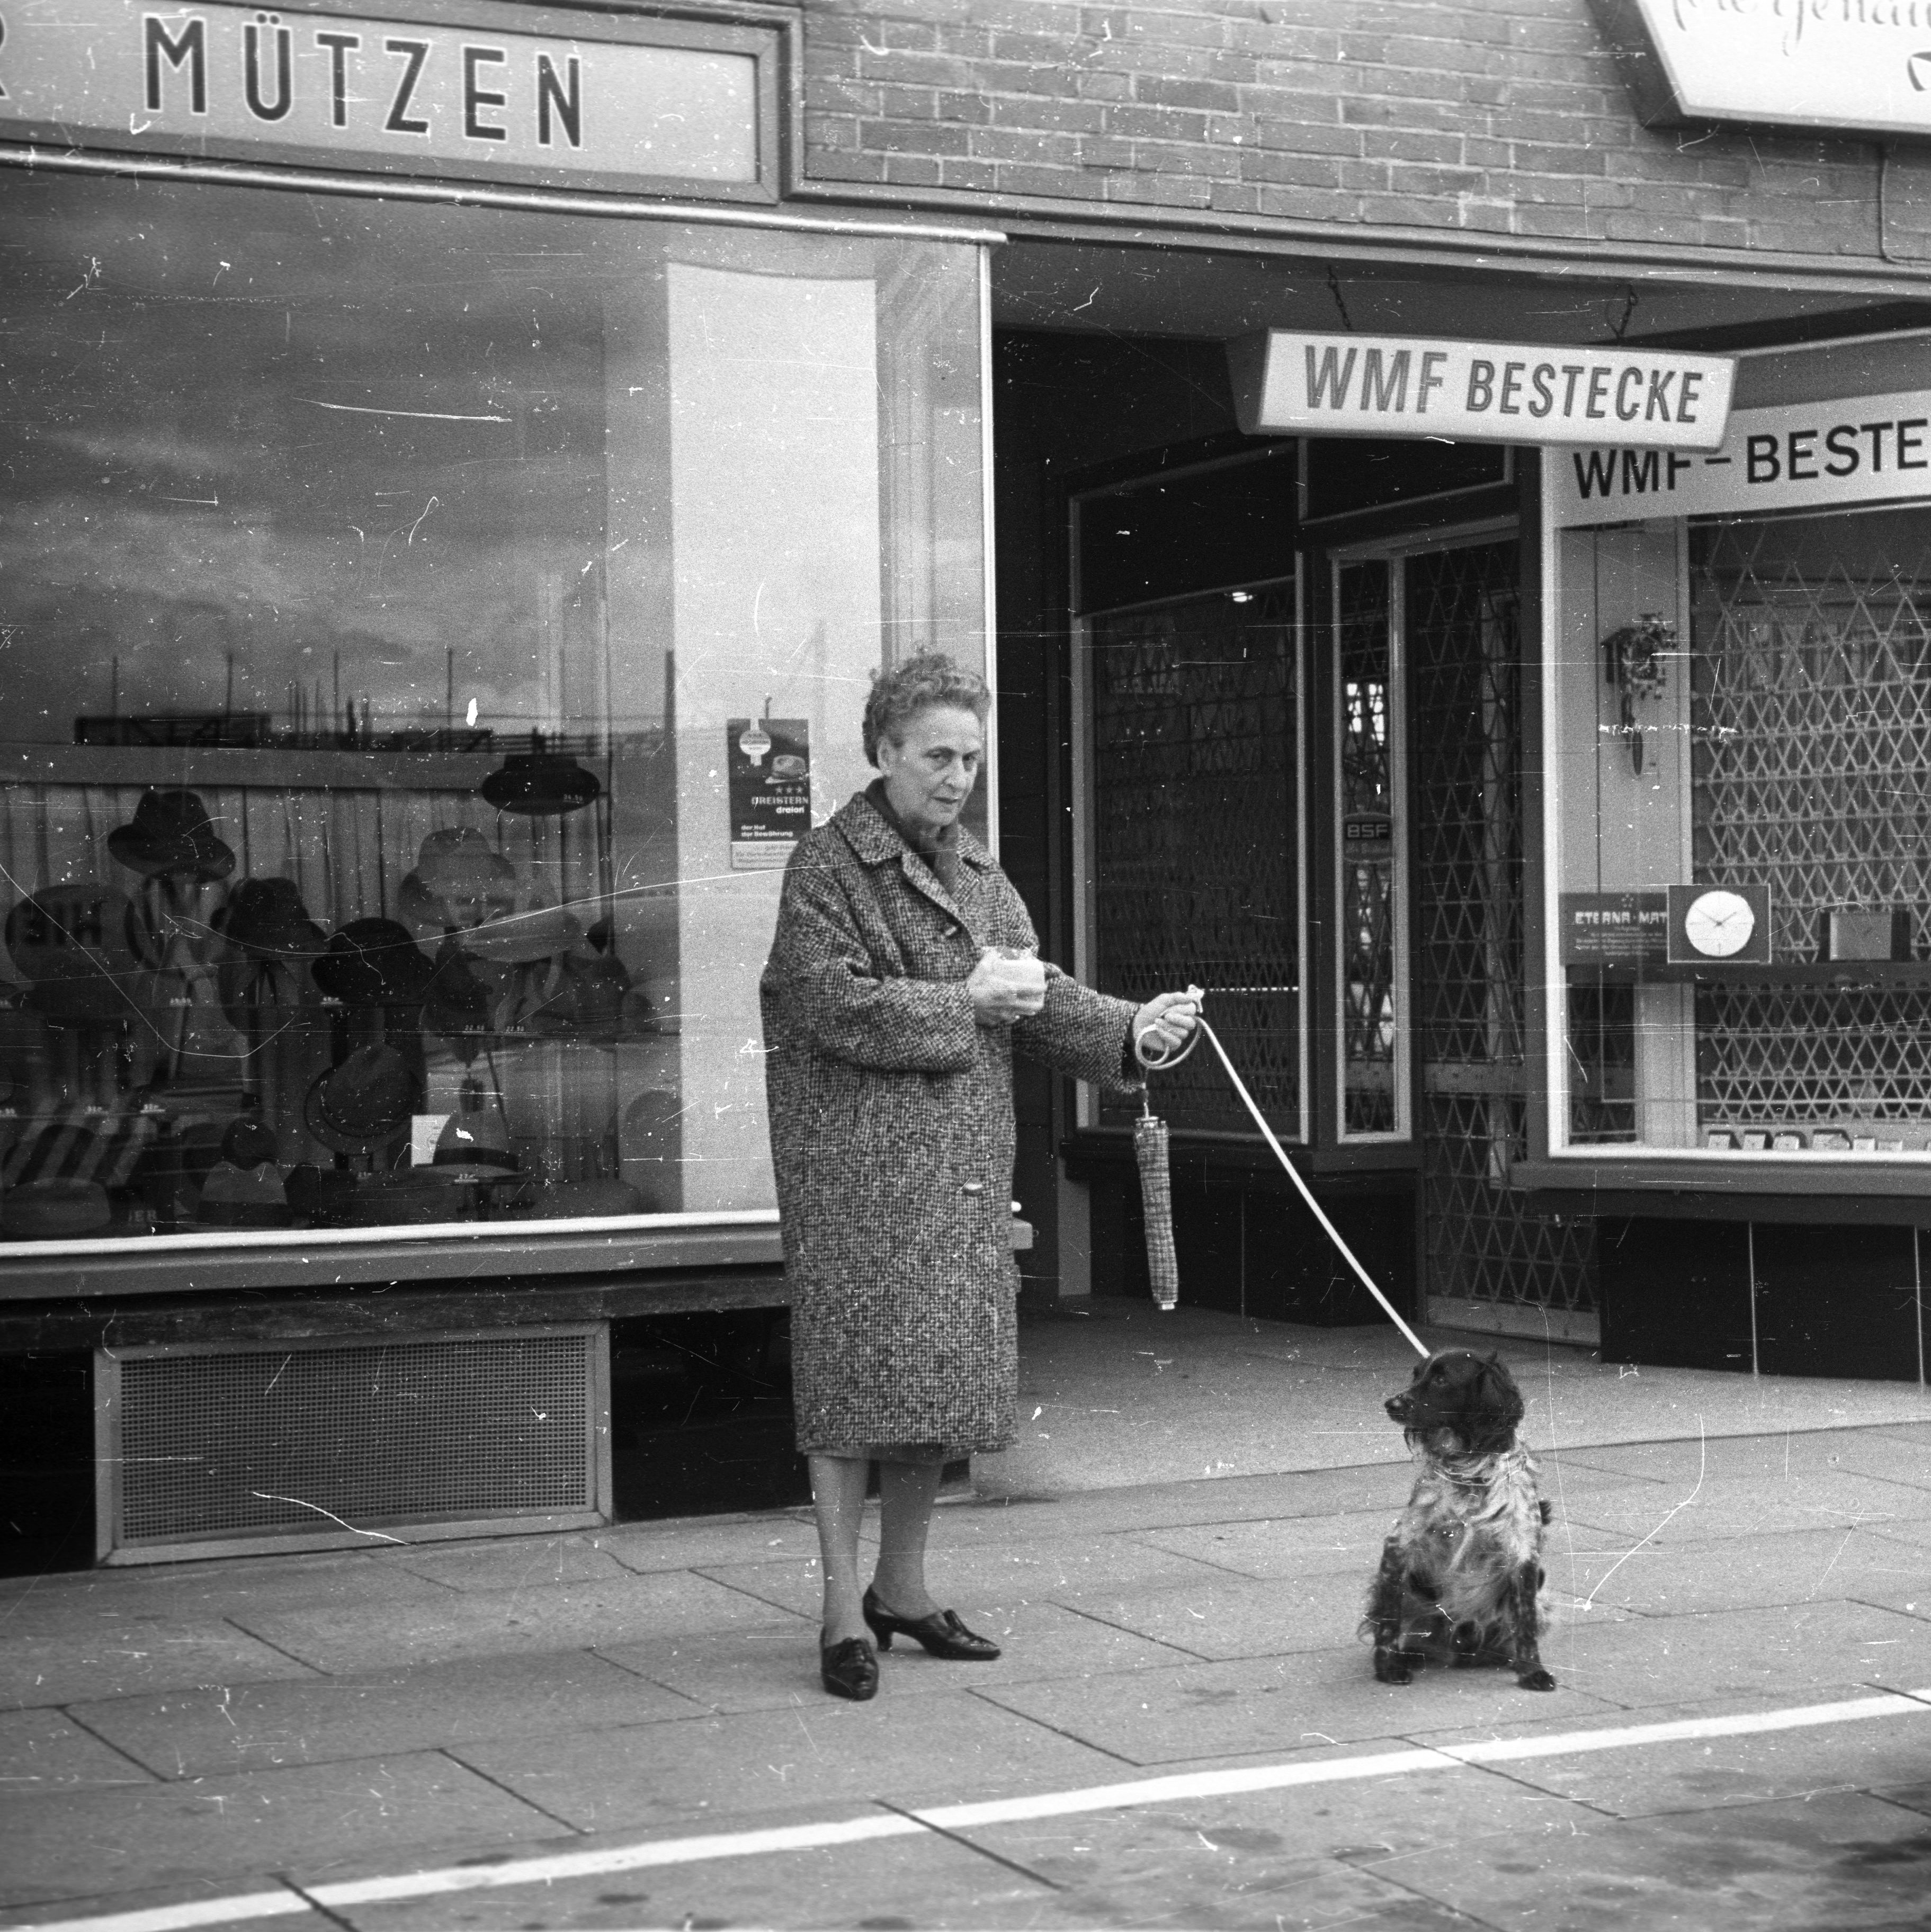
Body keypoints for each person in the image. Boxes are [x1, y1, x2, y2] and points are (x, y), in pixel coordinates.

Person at [759, 651, 1199, 1701]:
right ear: (882, 753)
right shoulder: (824, 870)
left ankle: (901, 1592)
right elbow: (829, 1006)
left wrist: (1131, 1031)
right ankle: (836, 1615)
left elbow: (1032, 1000)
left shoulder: (980, 873)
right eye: (936, 757)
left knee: (931, 1395)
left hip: (953, 1178)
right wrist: (966, 1004)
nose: (956, 778)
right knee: (849, 1399)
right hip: (854, 1181)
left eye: (970, 759)